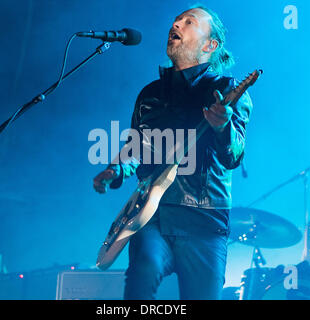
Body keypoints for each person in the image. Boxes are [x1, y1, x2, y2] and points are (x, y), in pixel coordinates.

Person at [93, 5, 253, 300]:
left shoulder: (226, 90)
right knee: (143, 272)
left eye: (189, 22)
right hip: (152, 214)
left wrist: (222, 127)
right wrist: (115, 169)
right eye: (177, 19)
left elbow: (234, 156)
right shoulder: (150, 94)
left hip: (205, 220)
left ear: (210, 45)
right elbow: (137, 147)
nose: (176, 24)